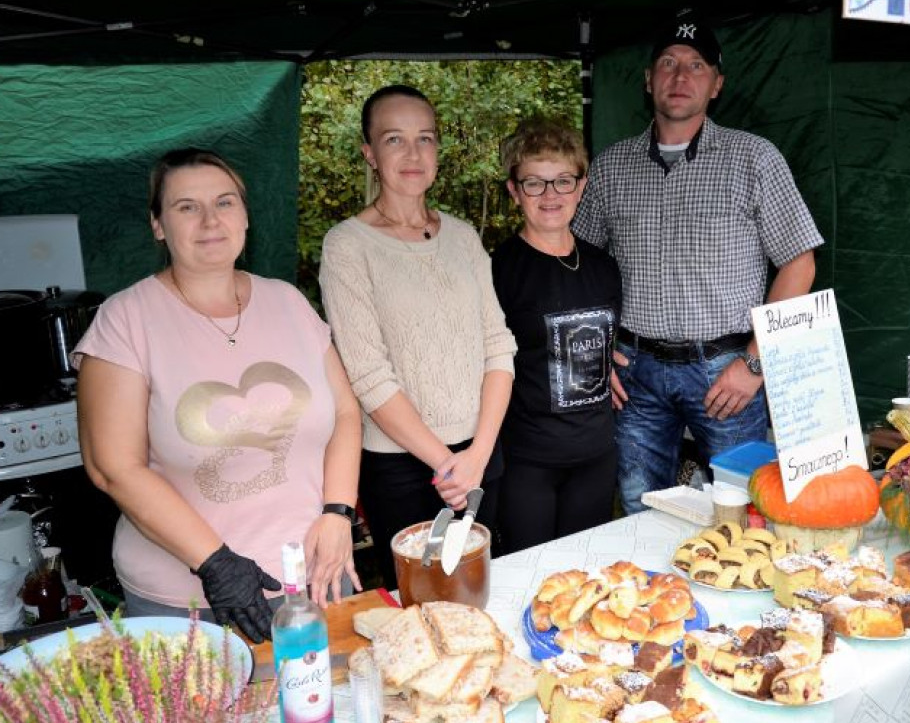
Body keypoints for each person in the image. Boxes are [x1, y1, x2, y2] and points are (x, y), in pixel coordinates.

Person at [75, 148, 363, 643]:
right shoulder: (126, 320)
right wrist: (215, 562)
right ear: (158, 226)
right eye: (187, 207)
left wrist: (338, 513)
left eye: (224, 202)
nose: (210, 220)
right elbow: (113, 467)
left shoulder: (287, 300)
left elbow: (344, 411)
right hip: (186, 598)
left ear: (246, 216)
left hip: (313, 574)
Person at [572, 14, 824, 514]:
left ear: (716, 85)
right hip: (635, 371)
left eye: (696, 66)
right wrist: (595, 355)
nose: (680, 76)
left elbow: (800, 263)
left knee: (745, 508)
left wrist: (755, 363)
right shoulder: (611, 166)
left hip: (725, 370)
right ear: (648, 80)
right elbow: (577, 265)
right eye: (667, 63)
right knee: (639, 506)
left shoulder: (753, 158)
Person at [319, 85, 516, 589]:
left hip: (480, 456)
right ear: (369, 153)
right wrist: (448, 466)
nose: (412, 154)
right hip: (402, 469)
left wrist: (478, 456)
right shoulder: (347, 247)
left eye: (424, 138)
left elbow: (499, 346)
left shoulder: (464, 237)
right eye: (394, 139)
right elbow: (367, 374)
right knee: (424, 601)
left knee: (484, 592)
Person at [491, 117, 621, 552]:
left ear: (581, 187)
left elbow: (605, 342)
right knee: (528, 579)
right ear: (514, 190)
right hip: (528, 462)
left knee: (584, 580)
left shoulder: (604, 266)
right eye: (535, 183)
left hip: (596, 455)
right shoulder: (498, 270)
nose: (551, 195)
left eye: (563, 181)